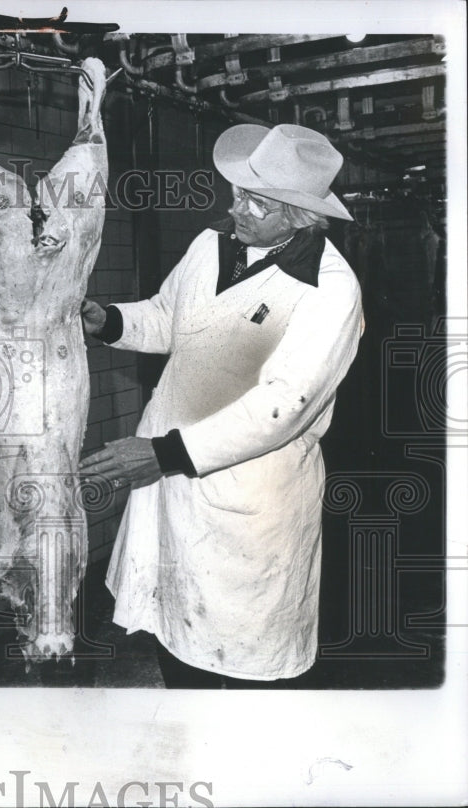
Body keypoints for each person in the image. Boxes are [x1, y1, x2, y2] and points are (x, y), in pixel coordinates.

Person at [79, 124, 363, 688]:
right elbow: (168, 317)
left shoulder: (330, 290)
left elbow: (281, 408)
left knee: (238, 669)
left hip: (247, 500)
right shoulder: (212, 243)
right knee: (172, 641)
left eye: (257, 201)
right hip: (173, 484)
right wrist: (107, 320)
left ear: (300, 216)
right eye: (238, 189)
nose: (238, 205)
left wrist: (163, 453)